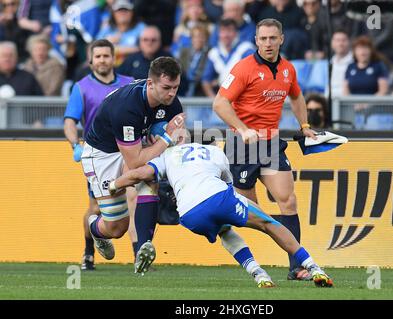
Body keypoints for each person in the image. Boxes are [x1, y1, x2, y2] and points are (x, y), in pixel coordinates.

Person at [107, 138, 333, 288]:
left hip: (189, 215)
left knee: (225, 231)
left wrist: (114, 184)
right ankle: (313, 267)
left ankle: (258, 273)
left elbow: (140, 174)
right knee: (269, 224)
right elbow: (228, 184)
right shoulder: (215, 151)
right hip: (217, 197)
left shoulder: (166, 156)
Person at [212, 18, 318, 281]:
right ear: (256, 41)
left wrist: (304, 125)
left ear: (281, 39)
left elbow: (296, 96)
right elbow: (220, 104)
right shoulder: (244, 68)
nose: (268, 43)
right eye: (263, 39)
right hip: (241, 145)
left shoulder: (288, 70)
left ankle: (296, 267)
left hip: (270, 143)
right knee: (248, 212)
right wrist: (243, 128)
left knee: (288, 200)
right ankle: (226, 227)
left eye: (273, 38)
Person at [80, 56, 185, 273]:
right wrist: (166, 138)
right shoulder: (128, 107)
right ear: (150, 83)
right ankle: (94, 228)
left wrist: (177, 138)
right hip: (102, 155)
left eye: (176, 87)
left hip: (135, 145)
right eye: (166, 87)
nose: (172, 93)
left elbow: (178, 135)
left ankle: (142, 251)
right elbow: (135, 160)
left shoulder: (170, 101)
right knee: (116, 228)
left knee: (148, 176)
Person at [63, 39, 134, 270]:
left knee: (137, 199)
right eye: (98, 56)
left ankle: (140, 253)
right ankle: (88, 251)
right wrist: (75, 144)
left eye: (106, 55)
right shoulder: (81, 87)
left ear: (114, 58)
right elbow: (70, 122)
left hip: (128, 152)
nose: (103, 60)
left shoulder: (129, 84)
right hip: (100, 156)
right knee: (95, 208)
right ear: (91, 60)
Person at [201, 18, 254, 98]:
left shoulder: (247, 49)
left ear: (236, 33)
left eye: (229, 31)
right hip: (224, 99)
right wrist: (214, 99)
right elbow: (206, 79)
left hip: (245, 97)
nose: (226, 35)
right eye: (222, 31)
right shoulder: (214, 53)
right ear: (218, 34)